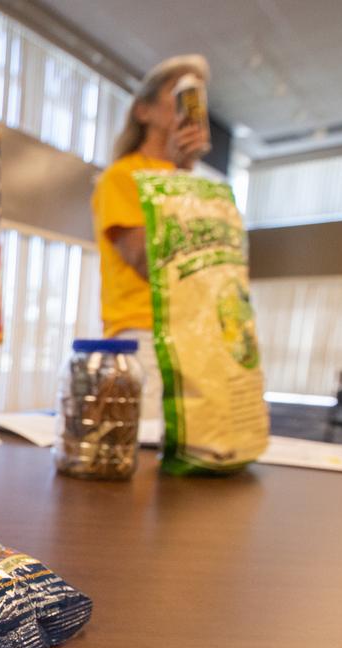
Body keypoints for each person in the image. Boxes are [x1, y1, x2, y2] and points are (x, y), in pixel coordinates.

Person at [91, 54, 211, 421]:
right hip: (144, 335)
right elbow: (148, 262)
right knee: (142, 453)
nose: (190, 107)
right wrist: (177, 175)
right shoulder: (122, 177)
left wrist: (183, 174)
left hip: (195, 333)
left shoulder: (199, 184)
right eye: (180, 94)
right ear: (144, 110)